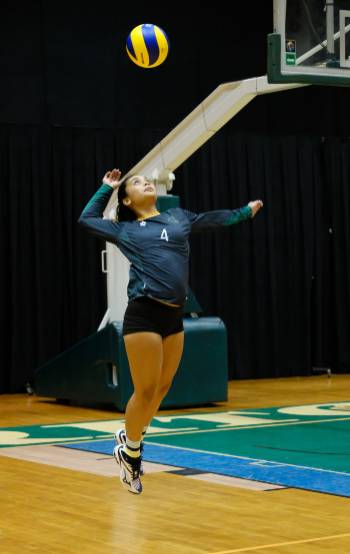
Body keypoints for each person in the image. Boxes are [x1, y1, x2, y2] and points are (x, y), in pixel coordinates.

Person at [78, 168, 263, 494]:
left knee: (163, 388)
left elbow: (212, 219)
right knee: (145, 390)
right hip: (143, 314)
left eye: (144, 180)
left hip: (173, 316)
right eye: (135, 183)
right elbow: (86, 219)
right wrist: (105, 188)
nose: (145, 182)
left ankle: (130, 438)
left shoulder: (178, 217)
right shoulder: (126, 230)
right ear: (127, 199)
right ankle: (130, 452)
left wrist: (244, 213)